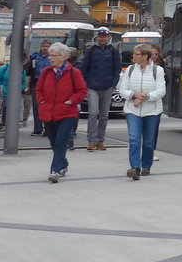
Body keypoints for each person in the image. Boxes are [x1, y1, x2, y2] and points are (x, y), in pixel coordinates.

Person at [36, 42, 87, 184]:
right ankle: (63, 163)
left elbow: (82, 91)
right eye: (49, 55)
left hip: (67, 113)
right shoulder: (46, 72)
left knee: (60, 142)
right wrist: (42, 102)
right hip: (48, 113)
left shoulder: (74, 73)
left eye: (54, 55)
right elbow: (39, 90)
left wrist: (71, 101)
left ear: (64, 57)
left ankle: (55, 170)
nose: (50, 58)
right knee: (53, 142)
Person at [118, 44, 165, 180]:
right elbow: (122, 90)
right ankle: (135, 167)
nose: (133, 56)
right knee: (134, 138)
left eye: (136, 54)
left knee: (149, 141)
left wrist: (144, 96)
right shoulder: (130, 70)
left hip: (153, 111)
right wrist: (134, 95)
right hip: (133, 110)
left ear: (145, 56)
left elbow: (161, 91)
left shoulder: (158, 70)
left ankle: (146, 165)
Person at [79, 26, 121, 152]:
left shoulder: (113, 51)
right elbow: (84, 68)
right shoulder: (90, 50)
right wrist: (84, 82)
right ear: (97, 37)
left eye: (104, 36)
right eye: (100, 36)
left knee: (104, 115)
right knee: (93, 113)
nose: (102, 38)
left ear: (108, 37)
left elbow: (117, 69)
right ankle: (91, 141)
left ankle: (100, 141)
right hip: (92, 86)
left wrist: (114, 83)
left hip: (107, 86)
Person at [27, 40, 53, 135]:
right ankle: (38, 129)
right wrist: (28, 86)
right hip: (36, 83)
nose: (45, 48)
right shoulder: (34, 57)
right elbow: (29, 73)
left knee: (47, 107)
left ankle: (48, 129)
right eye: (43, 46)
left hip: (49, 84)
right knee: (36, 107)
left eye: (47, 46)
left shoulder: (53, 57)